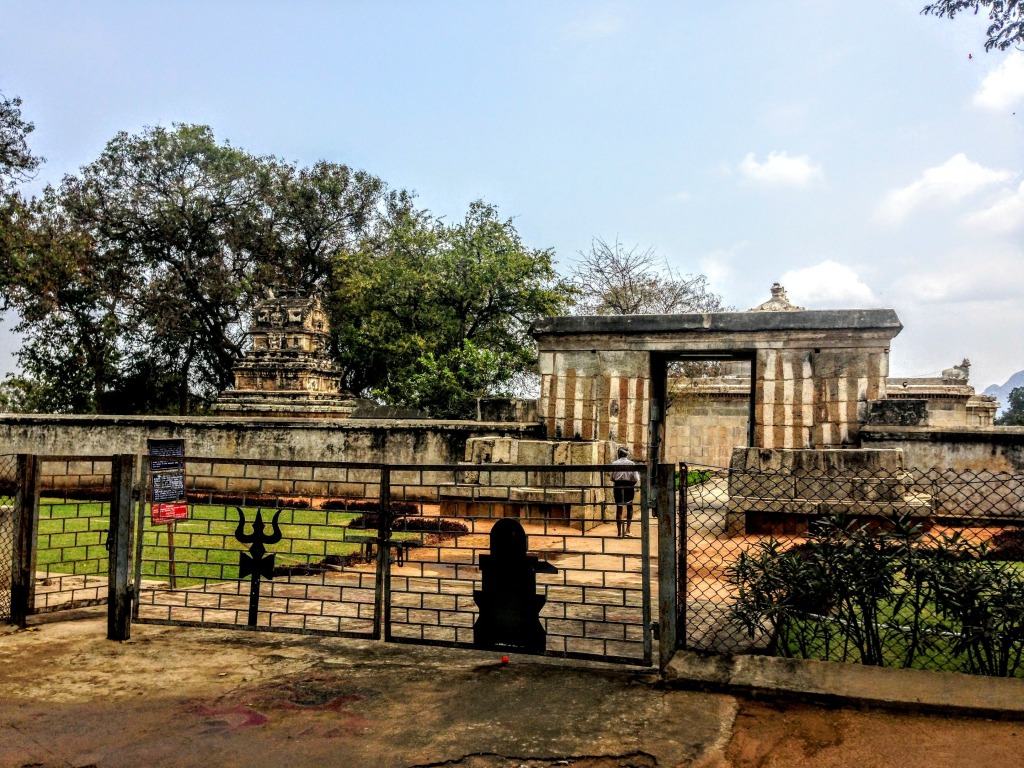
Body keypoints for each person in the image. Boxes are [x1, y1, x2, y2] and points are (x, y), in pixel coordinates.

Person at [610, 447, 640, 538]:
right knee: (629, 507)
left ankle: (619, 533)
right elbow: (636, 478)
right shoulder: (631, 463)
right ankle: (628, 530)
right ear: (627, 454)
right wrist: (631, 484)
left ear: (619, 454)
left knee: (619, 508)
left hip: (618, 486)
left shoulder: (614, 463)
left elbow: (612, 478)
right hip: (629, 486)